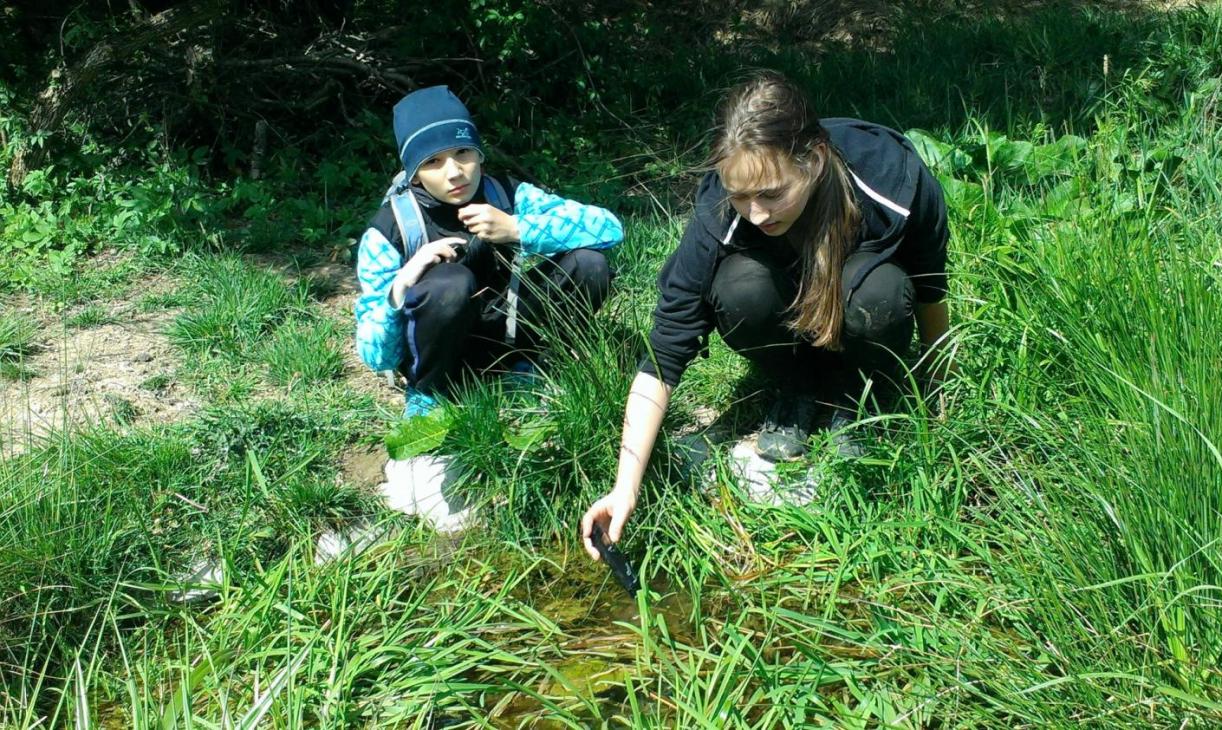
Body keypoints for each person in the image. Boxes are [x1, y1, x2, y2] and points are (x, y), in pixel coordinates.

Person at [580, 70, 951, 560]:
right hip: (782, 315)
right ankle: (795, 386)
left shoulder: (891, 177)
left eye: (772, 194)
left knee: (879, 296)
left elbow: (929, 293)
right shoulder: (721, 206)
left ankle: (858, 399)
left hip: (861, 305)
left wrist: (938, 390)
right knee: (738, 289)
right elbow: (664, 350)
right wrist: (625, 487)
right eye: (740, 196)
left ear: (815, 160)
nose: (754, 213)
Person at [354, 85, 624, 418]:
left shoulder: (505, 194)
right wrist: (402, 284)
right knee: (450, 283)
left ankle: (524, 365)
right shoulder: (390, 229)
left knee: (590, 264)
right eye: (433, 161)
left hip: (505, 331)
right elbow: (374, 355)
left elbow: (609, 228)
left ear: (480, 153)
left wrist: (516, 229)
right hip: (438, 353)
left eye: (463, 152)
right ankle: (429, 395)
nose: (454, 172)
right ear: (415, 175)